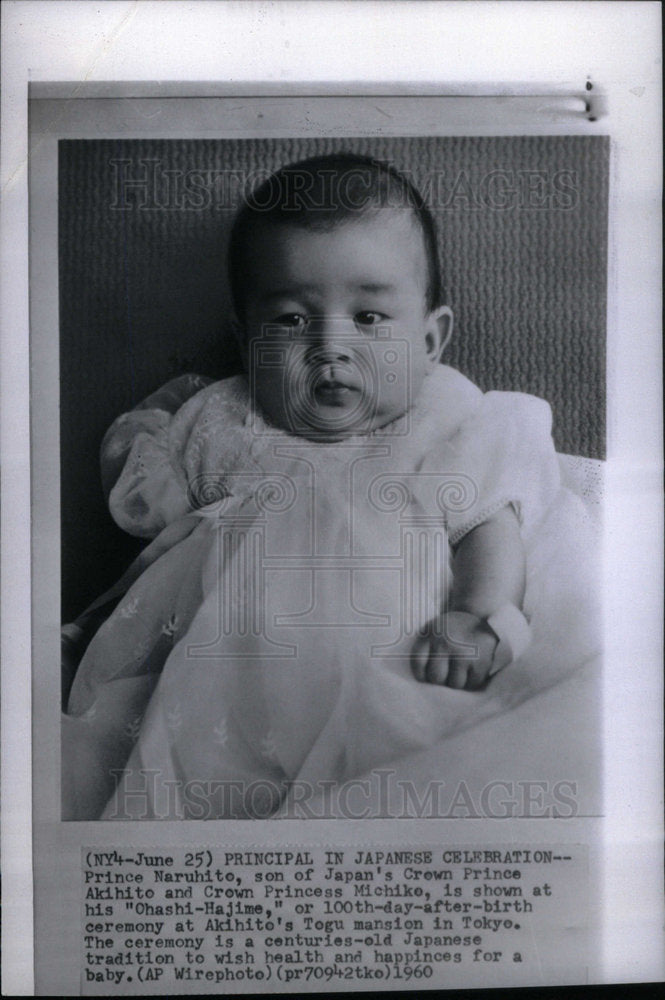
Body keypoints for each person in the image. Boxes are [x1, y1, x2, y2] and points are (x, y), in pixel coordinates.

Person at [62, 154, 594, 820]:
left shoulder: (449, 415)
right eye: (288, 320)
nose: (328, 346)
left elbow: (488, 526)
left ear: (431, 340)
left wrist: (482, 617)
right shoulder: (223, 421)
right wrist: (92, 635)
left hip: (406, 661)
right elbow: (158, 563)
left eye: (369, 318)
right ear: (245, 336)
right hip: (229, 694)